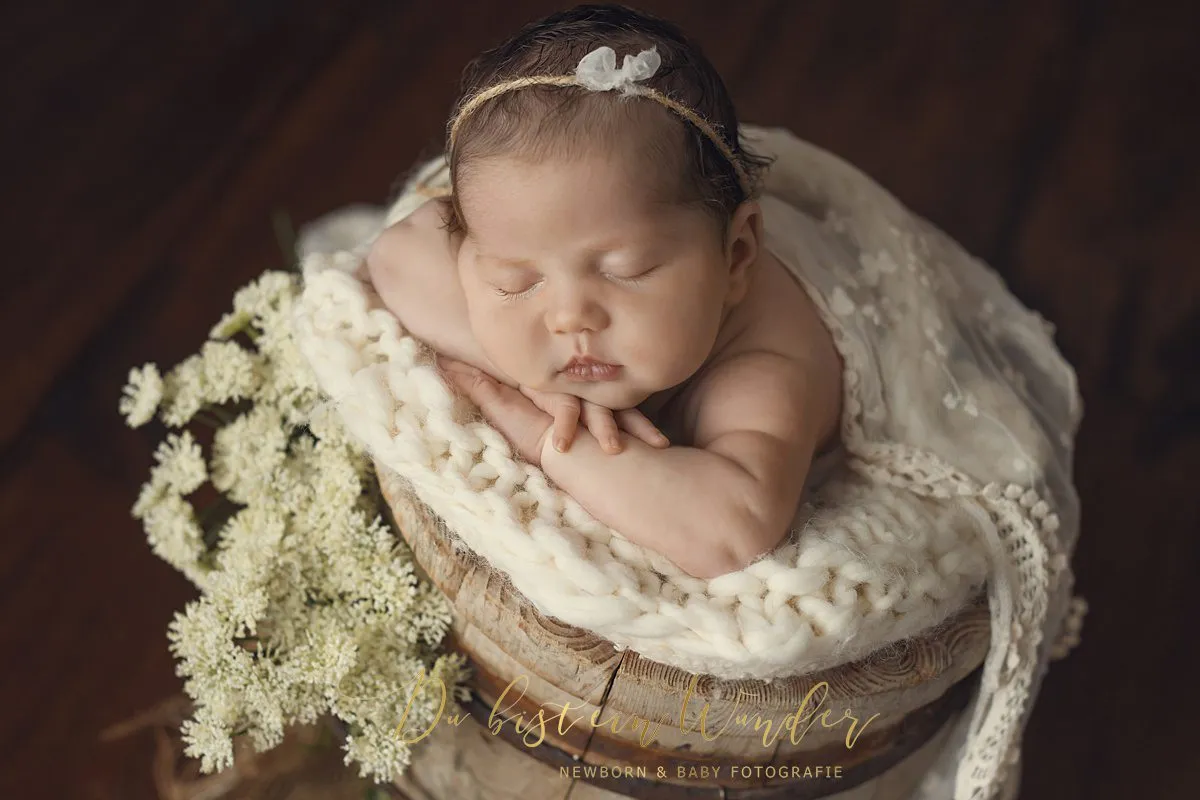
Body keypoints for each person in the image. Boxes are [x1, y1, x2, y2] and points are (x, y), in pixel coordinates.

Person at [365, 4, 844, 581]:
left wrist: (546, 435)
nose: (569, 317)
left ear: (736, 257)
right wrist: (529, 382)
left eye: (626, 270)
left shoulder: (764, 367)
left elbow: (735, 528)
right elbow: (395, 253)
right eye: (517, 282)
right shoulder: (547, 234)